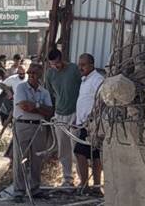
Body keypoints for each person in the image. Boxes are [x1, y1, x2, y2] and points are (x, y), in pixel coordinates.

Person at [11, 63, 54, 201]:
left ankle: (35, 188)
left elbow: (49, 112)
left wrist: (34, 105)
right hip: (22, 125)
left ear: (40, 75)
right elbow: (24, 106)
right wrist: (40, 107)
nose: (31, 76)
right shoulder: (21, 87)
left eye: (34, 73)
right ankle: (18, 191)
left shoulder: (45, 92)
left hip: (39, 127)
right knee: (20, 158)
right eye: (29, 73)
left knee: (37, 159)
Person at [44, 49, 84, 187]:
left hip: (75, 113)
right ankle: (67, 179)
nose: (56, 67)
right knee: (63, 148)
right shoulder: (50, 74)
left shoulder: (74, 69)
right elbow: (50, 94)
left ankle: (82, 179)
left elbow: (83, 88)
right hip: (59, 114)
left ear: (62, 59)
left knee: (77, 149)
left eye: (58, 63)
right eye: (53, 65)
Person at [74, 53, 105, 197]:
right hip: (83, 124)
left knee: (87, 153)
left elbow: (102, 100)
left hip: (93, 125)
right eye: (79, 64)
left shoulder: (97, 79)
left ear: (91, 65)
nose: (80, 67)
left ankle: (93, 186)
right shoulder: (85, 80)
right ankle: (88, 185)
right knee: (88, 154)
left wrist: (93, 118)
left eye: (83, 65)